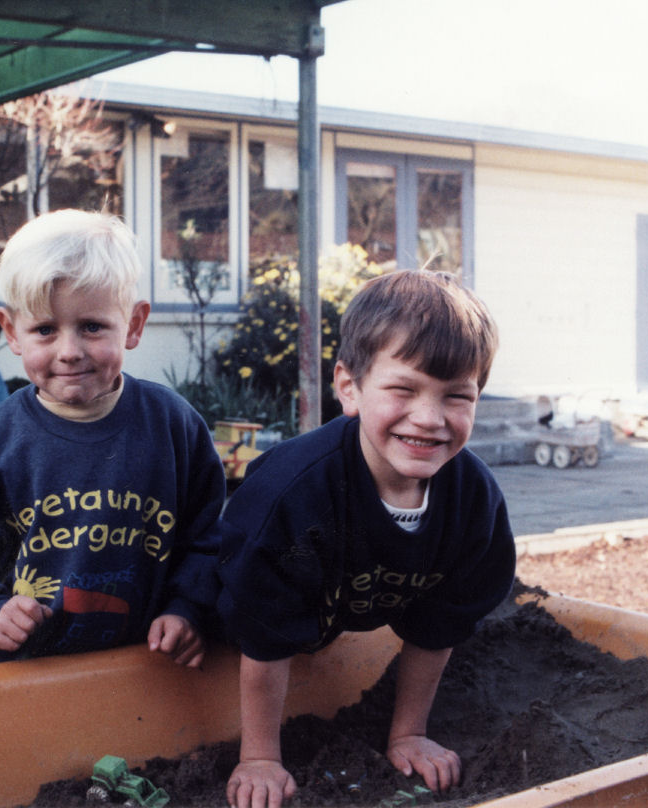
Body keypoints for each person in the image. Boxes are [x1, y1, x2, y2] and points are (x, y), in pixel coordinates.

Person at [215, 269, 515, 808]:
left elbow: (438, 623)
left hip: (346, 601)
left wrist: (408, 734)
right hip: (236, 619)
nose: (429, 418)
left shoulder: (474, 503)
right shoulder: (292, 498)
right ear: (349, 387)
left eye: (456, 397)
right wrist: (259, 756)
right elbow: (262, 632)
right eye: (403, 389)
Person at [0, 209, 225, 667]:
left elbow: (208, 537)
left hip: (145, 671)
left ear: (134, 325)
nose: (70, 351)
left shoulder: (175, 427)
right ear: (12, 331)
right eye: (45, 330)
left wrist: (186, 609)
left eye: (92, 326)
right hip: (21, 676)